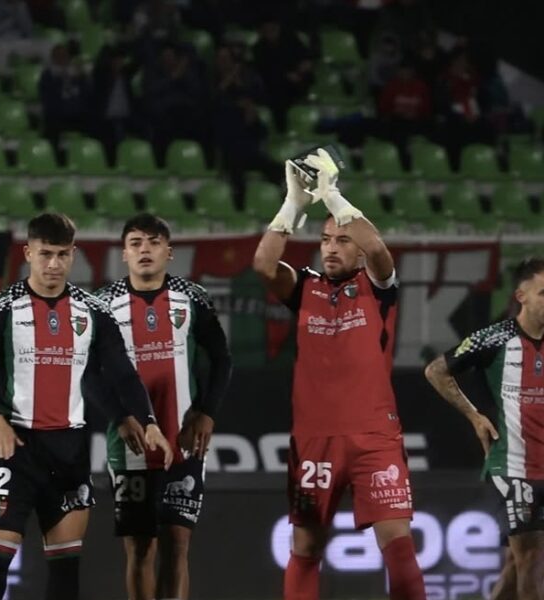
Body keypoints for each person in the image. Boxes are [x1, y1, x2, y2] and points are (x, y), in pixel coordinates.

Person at [252, 149, 426, 600]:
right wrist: (293, 206)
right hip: (315, 438)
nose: (331, 246)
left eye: (341, 240)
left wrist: (334, 198)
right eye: (326, 239)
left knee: (400, 548)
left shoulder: (377, 286)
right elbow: (264, 267)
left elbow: (379, 250)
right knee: (306, 548)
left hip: (374, 437)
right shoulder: (305, 286)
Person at [0, 213, 173, 600]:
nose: (53, 264)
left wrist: (146, 420)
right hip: (16, 449)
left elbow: (122, 372)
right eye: (45, 253)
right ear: (28, 252)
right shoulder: (0, 311)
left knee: (64, 565)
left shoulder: (93, 311)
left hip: (71, 451)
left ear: (73, 255)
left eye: (63, 255)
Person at [96, 213, 232, 600]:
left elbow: (221, 358)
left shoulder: (192, 297)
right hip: (131, 444)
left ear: (169, 252)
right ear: (124, 253)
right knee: (140, 548)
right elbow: (91, 371)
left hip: (184, 439)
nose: (144, 250)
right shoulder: (103, 305)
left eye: (154, 242)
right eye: (135, 243)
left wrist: (207, 411)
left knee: (177, 544)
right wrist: (120, 416)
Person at [424, 257, 544, 600]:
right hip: (514, 468)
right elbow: (436, 371)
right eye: (543, 293)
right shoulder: (495, 338)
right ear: (521, 295)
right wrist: (475, 415)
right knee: (532, 560)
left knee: (518, 564)